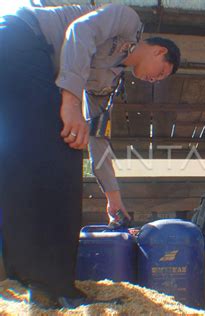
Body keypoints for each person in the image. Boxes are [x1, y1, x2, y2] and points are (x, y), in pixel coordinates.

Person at [0, 3, 180, 308]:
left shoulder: (110, 79)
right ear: (159, 51)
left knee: (45, 151)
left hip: (32, 66)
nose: (155, 80)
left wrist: (113, 197)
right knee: (62, 150)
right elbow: (79, 32)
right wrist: (70, 103)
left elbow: (96, 136)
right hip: (21, 39)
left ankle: (29, 275)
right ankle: (50, 281)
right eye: (161, 73)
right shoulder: (127, 21)